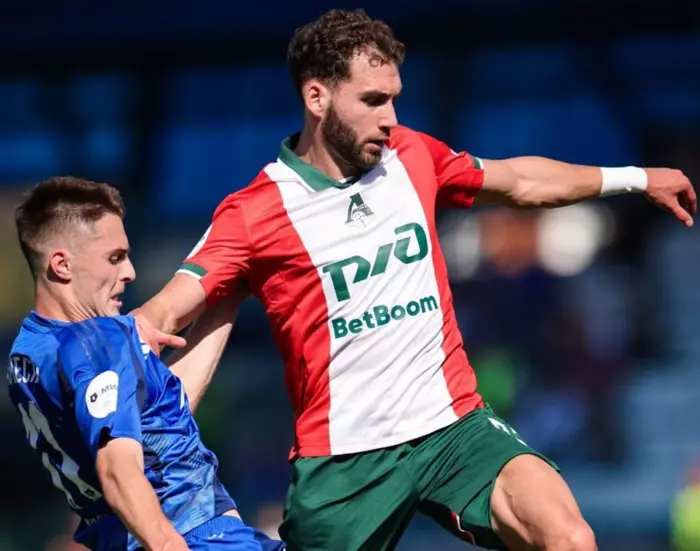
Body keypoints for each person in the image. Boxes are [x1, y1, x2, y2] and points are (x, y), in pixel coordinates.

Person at [134, 9, 697, 551]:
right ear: (316, 98)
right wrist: (119, 357)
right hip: (345, 461)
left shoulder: (410, 155)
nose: (390, 118)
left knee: (568, 538)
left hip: (453, 429)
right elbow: (164, 311)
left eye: (394, 99)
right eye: (372, 101)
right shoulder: (255, 211)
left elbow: (520, 182)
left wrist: (636, 177)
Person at [8, 177, 285, 551]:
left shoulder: (28, 352)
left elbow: (159, 419)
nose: (130, 272)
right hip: (194, 537)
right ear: (62, 264)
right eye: (114, 258)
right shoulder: (101, 341)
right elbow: (117, 472)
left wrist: (229, 296)